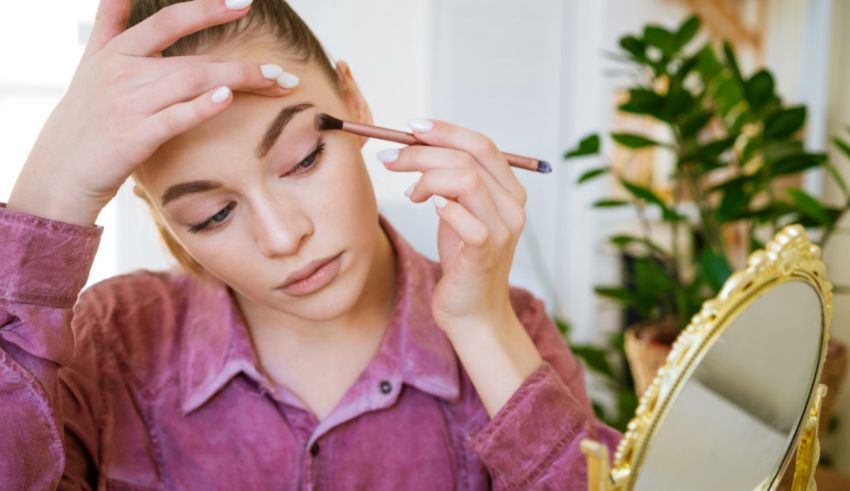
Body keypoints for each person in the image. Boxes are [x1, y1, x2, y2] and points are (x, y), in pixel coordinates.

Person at [0, 0, 622, 489]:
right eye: (213, 214)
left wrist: (482, 327)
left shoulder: (515, 333)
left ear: (352, 100)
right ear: (161, 215)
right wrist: (46, 202)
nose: (283, 236)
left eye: (303, 160)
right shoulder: (105, 346)